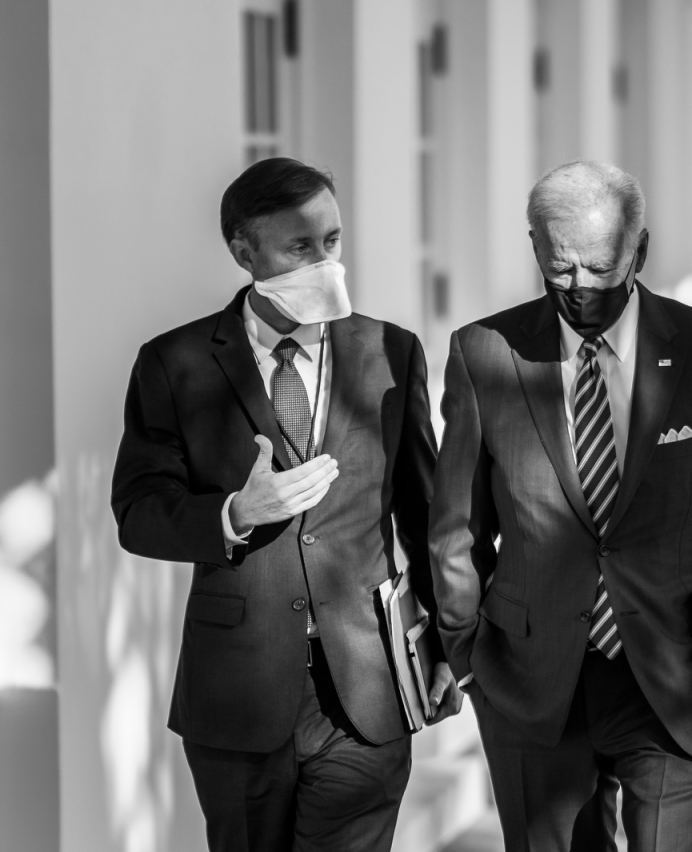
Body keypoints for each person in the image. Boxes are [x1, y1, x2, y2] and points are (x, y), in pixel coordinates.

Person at [427, 160, 692, 852]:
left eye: (601, 267)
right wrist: (466, 654)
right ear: (535, 249)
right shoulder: (484, 353)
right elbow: (457, 529)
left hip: (674, 674)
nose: (581, 289)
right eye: (561, 267)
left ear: (641, 251)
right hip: (529, 682)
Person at [111, 157, 461, 852]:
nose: (323, 261)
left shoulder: (391, 351)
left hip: (367, 690)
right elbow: (139, 511)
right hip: (237, 696)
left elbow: (426, 512)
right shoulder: (174, 363)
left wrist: (448, 645)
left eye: (330, 241)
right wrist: (235, 512)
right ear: (244, 252)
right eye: (299, 247)